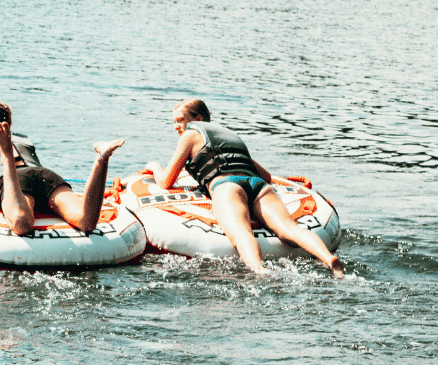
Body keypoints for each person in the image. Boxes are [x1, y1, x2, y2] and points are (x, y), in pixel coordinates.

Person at [145, 99, 342, 278]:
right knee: (289, 229)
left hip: (227, 187)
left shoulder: (190, 135)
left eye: (180, 120)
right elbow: (266, 176)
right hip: (257, 186)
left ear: (198, 118)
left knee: (241, 233)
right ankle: (329, 259)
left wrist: (153, 166)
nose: (176, 127)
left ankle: (260, 273)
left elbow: (165, 182)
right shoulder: (228, 136)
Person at [0, 101, 125, 237]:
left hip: (14, 181)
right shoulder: (24, 139)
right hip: (44, 175)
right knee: (86, 221)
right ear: (9, 124)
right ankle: (101, 158)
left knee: (21, 224)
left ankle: (7, 156)